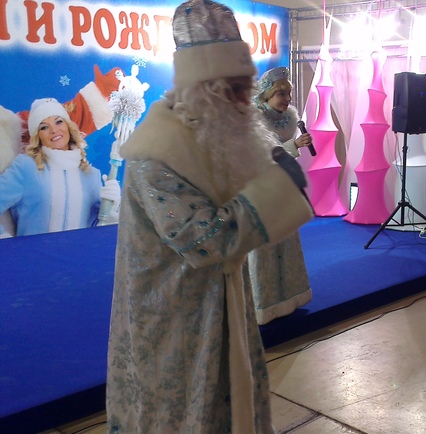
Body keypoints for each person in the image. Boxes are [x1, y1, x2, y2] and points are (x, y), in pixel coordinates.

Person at [104, 1, 313, 433]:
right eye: (232, 89)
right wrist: (278, 188)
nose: (243, 102)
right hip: (173, 314)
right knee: (182, 414)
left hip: (219, 302)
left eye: (245, 88)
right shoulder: (157, 152)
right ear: (205, 88)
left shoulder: (213, 132)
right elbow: (204, 238)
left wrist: (271, 170)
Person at [240, 67, 313, 324]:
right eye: (281, 93)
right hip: (261, 191)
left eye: (289, 93)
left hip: (284, 188)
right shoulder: (253, 120)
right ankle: (263, 304)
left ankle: (289, 299)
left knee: (287, 242)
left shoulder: (289, 119)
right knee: (264, 247)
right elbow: (260, 156)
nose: (287, 99)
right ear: (267, 94)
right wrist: (293, 146)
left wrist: (293, 148)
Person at [0, 98, 120, 238]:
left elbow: (97, 228)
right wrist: (5, 241)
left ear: (68, 126)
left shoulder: (91, 175)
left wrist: (113, 206)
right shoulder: (26, 167)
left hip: (79, 251)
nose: (54, 130)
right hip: (34, 252)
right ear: (38, 136)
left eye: (58, 122)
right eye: (44, 127)